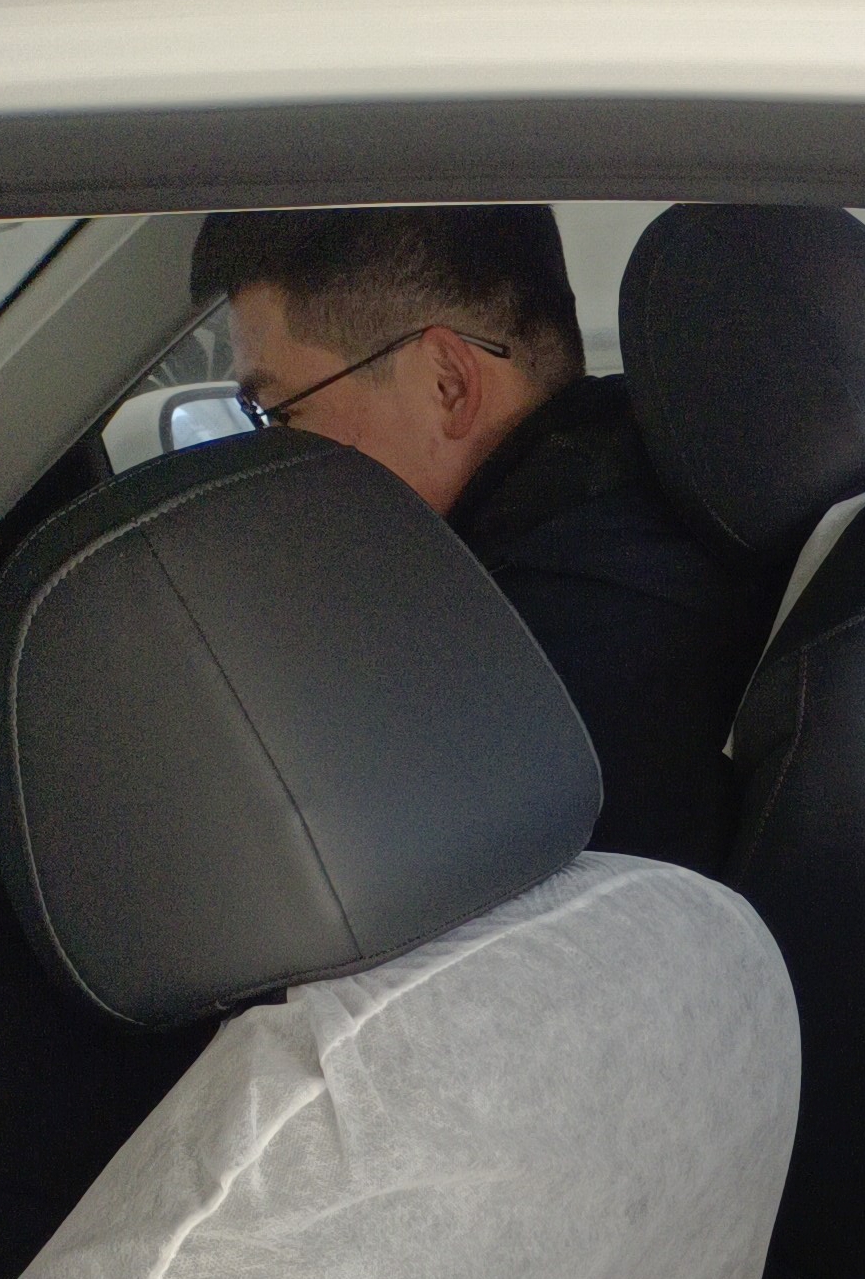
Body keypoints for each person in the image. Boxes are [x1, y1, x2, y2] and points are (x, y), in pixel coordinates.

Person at [188, 207, 776, 872]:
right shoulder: (650, 497)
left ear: (449, 384)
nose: (271, 460)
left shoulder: (514, 678)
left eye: (280, 412)